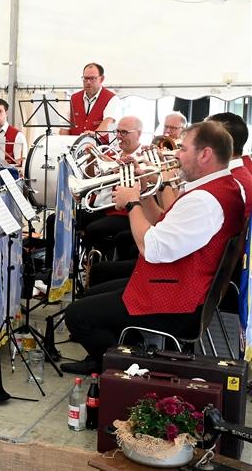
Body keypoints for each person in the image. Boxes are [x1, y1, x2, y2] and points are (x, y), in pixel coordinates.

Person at [62, 121, 245, 374]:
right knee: (94, 294)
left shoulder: (205, 201)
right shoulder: (218, 188)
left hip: (179, 303)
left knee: (76, 315)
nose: (175, 155)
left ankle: (129, 366)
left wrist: (132, 203)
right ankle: (117, 350)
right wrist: (147, 191)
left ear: (205, 154)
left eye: (183, 149)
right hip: (182, 285)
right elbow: (162, 224)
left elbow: (152, 248)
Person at [81, 116, 147, 259]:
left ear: (139, 134)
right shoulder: (111, 154)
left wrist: (119, 168)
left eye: (124, 132)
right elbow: (92, 181)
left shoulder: (144, 157)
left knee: (93, 229)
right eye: (117, 132)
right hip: (102, 206)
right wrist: (92, 159)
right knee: (59, 220)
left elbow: (142, 190)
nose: (118, 137)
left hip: (125, 213)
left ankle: (94, 267)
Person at [62, 62, 122, 143]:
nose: (88, 82)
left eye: (92, 78)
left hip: (100, 150)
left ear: (102, 79)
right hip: (74, 149)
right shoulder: (73, 98)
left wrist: (94, 136)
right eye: (85, 78)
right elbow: (65, 127)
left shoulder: (112, 99)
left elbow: (108, 122)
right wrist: (62, 143)